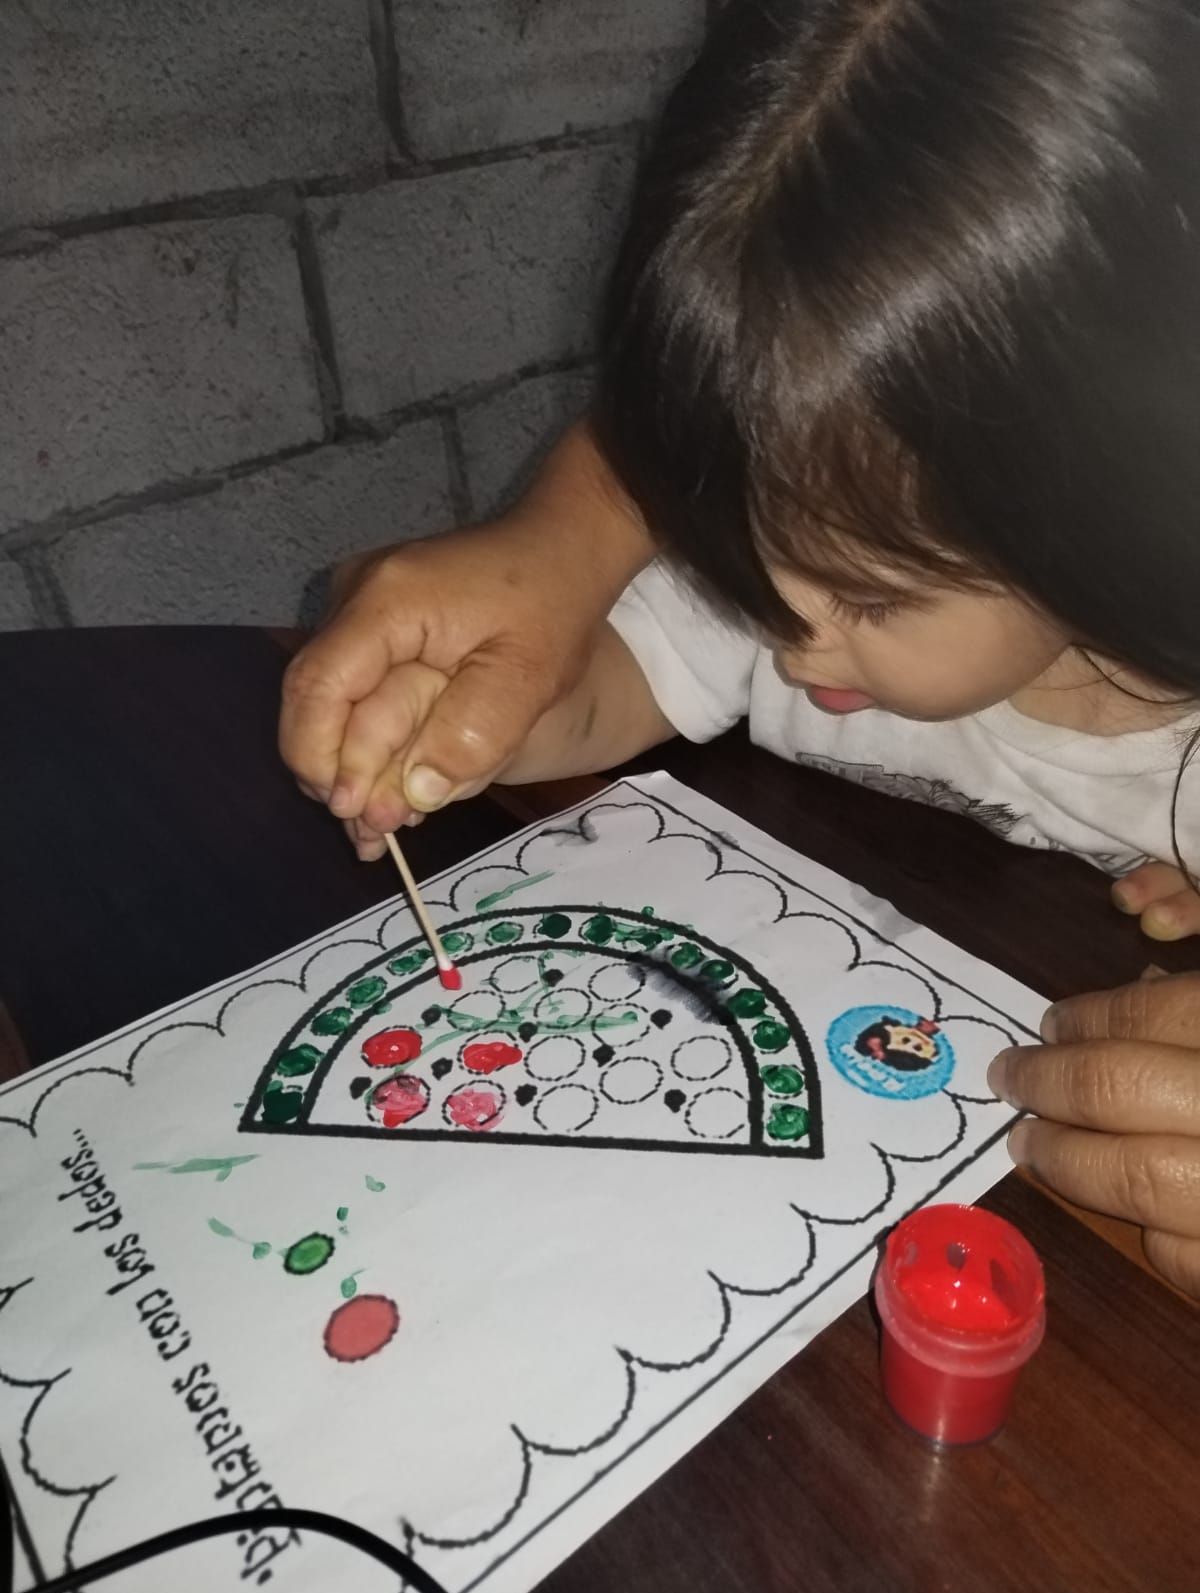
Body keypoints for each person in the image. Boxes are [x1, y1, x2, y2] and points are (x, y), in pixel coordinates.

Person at [279, 0, 1200, 1298]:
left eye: (870, 596)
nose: (779, 627)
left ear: (1101, 504)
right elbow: (610, 688)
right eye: (739, 538)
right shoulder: (798, 552)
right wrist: (462, 721)